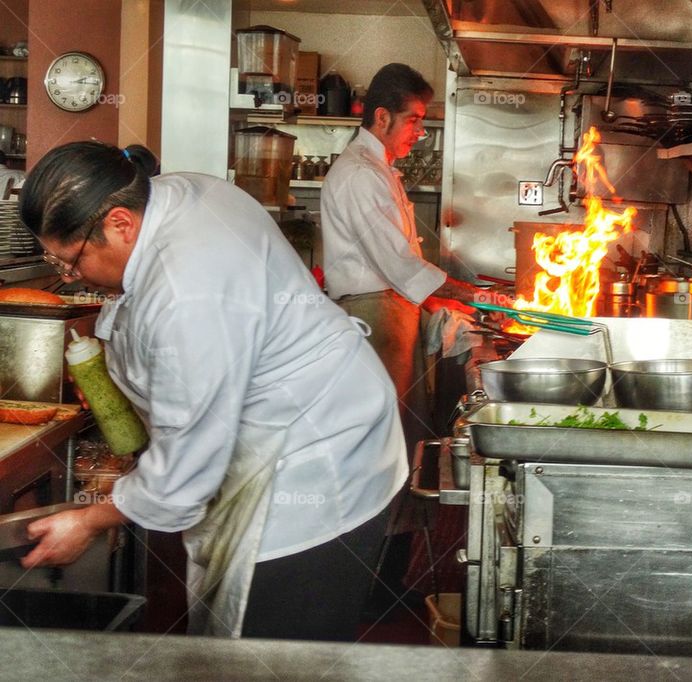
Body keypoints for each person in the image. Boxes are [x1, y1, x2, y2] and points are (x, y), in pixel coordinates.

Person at [18, 141, 408, 641]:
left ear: (120, 223)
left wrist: (91, 521)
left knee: (273, 659)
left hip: (309, 467)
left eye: (70, 262)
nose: (71, 277)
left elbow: (187, 472)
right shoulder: (174, 194)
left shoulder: (189, 291)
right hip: (303, 425)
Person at [320, 63, 484, 448]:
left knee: (401, 426)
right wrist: (473, 294)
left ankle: (400, 505)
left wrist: (440, 299)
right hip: (373, 317)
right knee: (383, 433)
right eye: (414, 120)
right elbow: (399, 265)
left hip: (392, 312)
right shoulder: (360, 174)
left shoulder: (380, 170)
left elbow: (400, 266)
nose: (420, 132)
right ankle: (385, 508)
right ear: (382, 117)